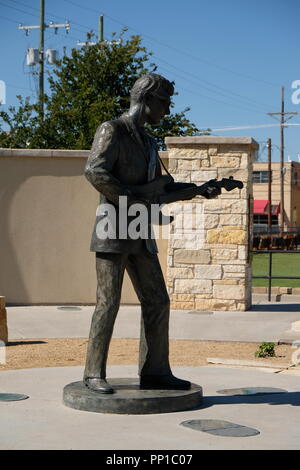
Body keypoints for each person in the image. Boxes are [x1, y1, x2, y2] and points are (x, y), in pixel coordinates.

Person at [83, 73, 216, 394]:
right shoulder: (111, 130)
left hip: (139, 228)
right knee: (108, 302)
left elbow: (160, 190)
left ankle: (155, 371)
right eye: (165, 103)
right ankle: (92, 374)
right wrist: (136, 194)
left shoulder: (149, 142)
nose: (167, 111)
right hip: (112, 227)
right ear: (148, 98)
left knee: (158, 300)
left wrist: (197, 190)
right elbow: (95, 171)